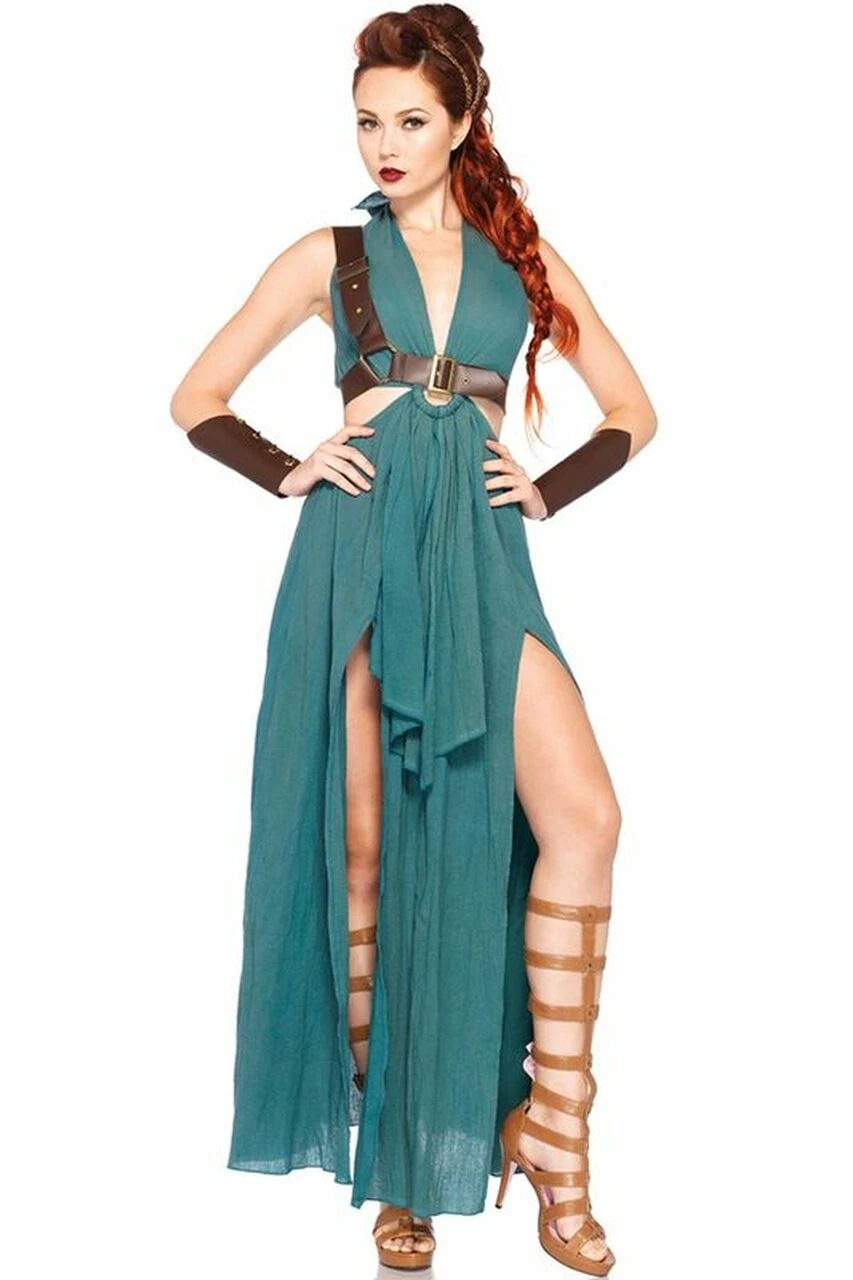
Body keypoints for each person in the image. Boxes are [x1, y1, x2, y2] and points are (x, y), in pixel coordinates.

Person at [170, 5, 656, 1274]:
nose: (384, 144)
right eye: (366, 122)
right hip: (359, 553)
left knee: (584, 815)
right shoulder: (329, 254)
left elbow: (631, 409)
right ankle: (401, 1164)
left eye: (409, 120)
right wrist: (288, 464)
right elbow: (195, 396)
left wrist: (546, 487)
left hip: (482, 561)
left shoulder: (517, 256)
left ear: (461, 122)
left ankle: (554, 1130)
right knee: (368, 849)